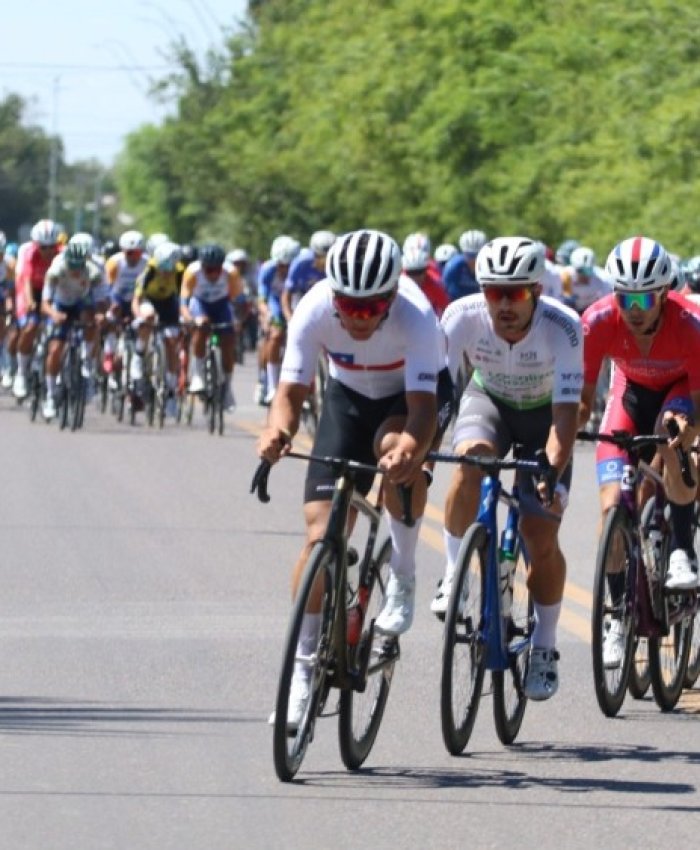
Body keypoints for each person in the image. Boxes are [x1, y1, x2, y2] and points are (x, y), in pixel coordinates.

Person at [257, 229, 449, 727]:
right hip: (347, 397)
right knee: (320, 535)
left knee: (395, 455)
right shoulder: (315, 307)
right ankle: (301, 672)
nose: (360, 317)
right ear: (333, 294)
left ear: (391, 297)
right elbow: (291, 393)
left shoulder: (417, 315)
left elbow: (423, 412)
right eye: (350, 306)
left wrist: (411, 448)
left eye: (372, 307)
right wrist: (276, 431)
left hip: (406, 401)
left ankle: (403, 573)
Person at [435, 236, 583, 701]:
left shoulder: (564, 327)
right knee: (470, 461)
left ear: (536, 292)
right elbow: (440, 389)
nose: (502, 304)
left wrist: (550, 469)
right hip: (490, 400)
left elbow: (565, 416)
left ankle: (543, 645)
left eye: (515, 293)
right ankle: (454, 573)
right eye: (493, 292)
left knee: (540, 537)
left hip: (544, 417)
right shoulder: (461, 316)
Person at [579, 237, 700, 672]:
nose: (633, 307)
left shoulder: (691, 325)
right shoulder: (596, 321)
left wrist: (689, 434)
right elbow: (583, 397)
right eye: (624, 295)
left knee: (673, 442)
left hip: (682, 393)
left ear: (665, 293)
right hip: (629, 397)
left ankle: (682, 548)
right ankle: (617, 615)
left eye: (644, 298)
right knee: (611, 504)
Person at [40, 239, 102, 419]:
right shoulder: (56, 270)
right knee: (56, 350)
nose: (75, 271)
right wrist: (54, 315)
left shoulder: (93, 271)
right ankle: (51, 395)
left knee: (91, 320)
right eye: (71, 266)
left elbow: (100, 300)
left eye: (78, 267)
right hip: (60, 304)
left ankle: (86, 361)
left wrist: (100, 314)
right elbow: (45, 303)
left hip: (82, 302)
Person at [180, 242, 244, 411]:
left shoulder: (231, 273)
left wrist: (238, 320)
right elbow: (184, 303)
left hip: (222, 304)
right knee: (201, 329)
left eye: (217, 269)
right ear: (202, 267)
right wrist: (191, 319)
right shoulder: (192, 272)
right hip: (200, 304)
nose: (214, 274)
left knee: (229, 343)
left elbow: (240, 301)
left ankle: (227, 388)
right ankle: (198, 375)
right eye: (209, 270)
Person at [132, 241, 185, 417]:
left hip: (169, 304)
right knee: (147, 317)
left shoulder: (179, 272)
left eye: (169, 268)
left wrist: (185, 317)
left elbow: (184, 298)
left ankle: (170, 392)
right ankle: (139, 355)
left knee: (171, 342)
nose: (165, 272)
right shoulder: (150, 270)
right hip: (149, 301)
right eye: (163, 267)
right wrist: (139, 316)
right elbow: (136, 300)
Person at [12, 219, 61, 399]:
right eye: (44, 247)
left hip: (53, 291)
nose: (48, 251)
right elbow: (26, 280)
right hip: (31, 289)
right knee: (31, 326)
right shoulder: (28, 252)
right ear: (36, 244)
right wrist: (32, 302)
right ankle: (21, 374)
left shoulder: (61, 254)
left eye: (51, 246)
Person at [256, 235, 300, 404]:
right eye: (280, 265)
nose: (284, 270)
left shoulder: (300, 267)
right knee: (275, 335)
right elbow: (262, 298)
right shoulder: (268, 269)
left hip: (296, 300)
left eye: (288, 266)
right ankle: (272, 385)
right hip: (274, 303)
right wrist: (266, 314)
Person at [401, 232, 449, 317]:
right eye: (411, 273)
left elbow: (445, 308)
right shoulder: (397, 279)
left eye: (419, 272)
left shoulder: (435, 281)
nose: (415, 277)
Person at [559, 245, 612, 314]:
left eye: (589, 271)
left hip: (593, 311)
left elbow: (607, 304)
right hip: (572, 310)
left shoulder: (603, 279)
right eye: (581, 271)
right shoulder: (565, 275)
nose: (585, 275)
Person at [442, 229, 488, 302]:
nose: (474, 260)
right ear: (463, 253)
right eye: (470, 256)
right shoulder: (453, 267)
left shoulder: (491, 267)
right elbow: (449, 296)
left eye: (477, 255)